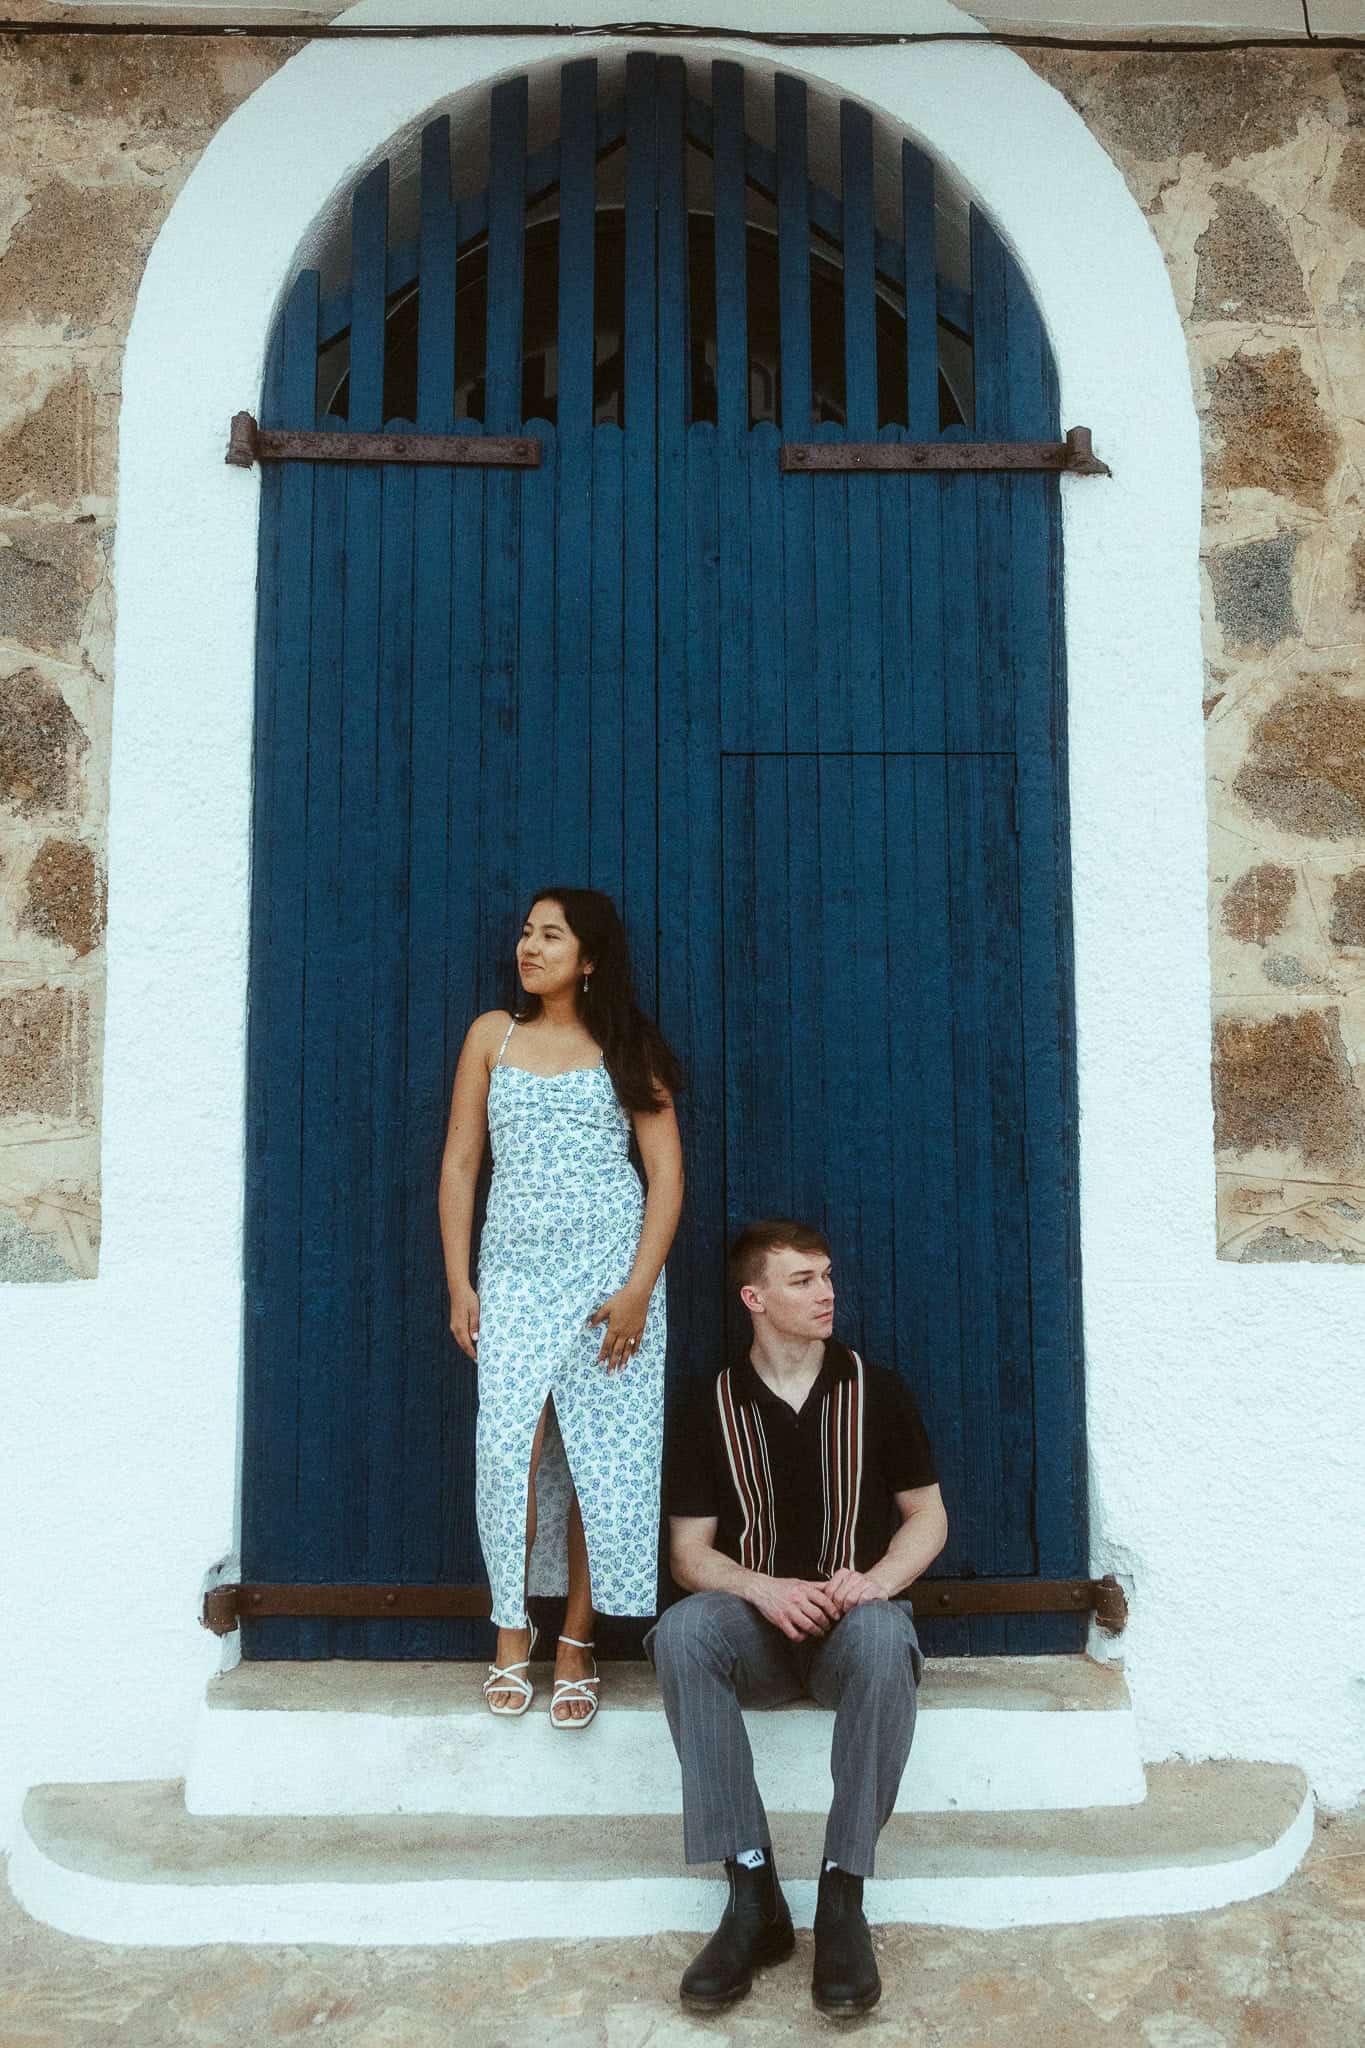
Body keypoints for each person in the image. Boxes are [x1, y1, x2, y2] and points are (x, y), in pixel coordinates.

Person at [647, 1219, 947, 2016]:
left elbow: (926, 1517)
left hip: (851, 1636)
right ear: (754, 1298)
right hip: (760, 1639)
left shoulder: (874, 1389)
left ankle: (842, 1895)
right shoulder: (708, 1403)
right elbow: (688, 1554)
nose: (826, 1293)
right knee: (682, 1630)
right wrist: (763, 1588)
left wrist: (876, 1581)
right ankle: (751, 1892)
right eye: (802, 1280)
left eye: (826, 1278)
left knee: (888, 1633)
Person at [439, 888, 684, 1728]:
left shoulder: (626, 1047)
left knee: (597, 1461)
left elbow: (666, 1178)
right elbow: (462, 1164)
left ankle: (576, 1642)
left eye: (551, 936)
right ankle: (512, 1629)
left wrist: (637, 1291)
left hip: (608, 1282)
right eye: (525, 932)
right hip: (510, 1275)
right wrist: (459, 1282)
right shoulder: (491, 1036)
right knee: (510, 1447)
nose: (528, 946)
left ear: (589, 960)